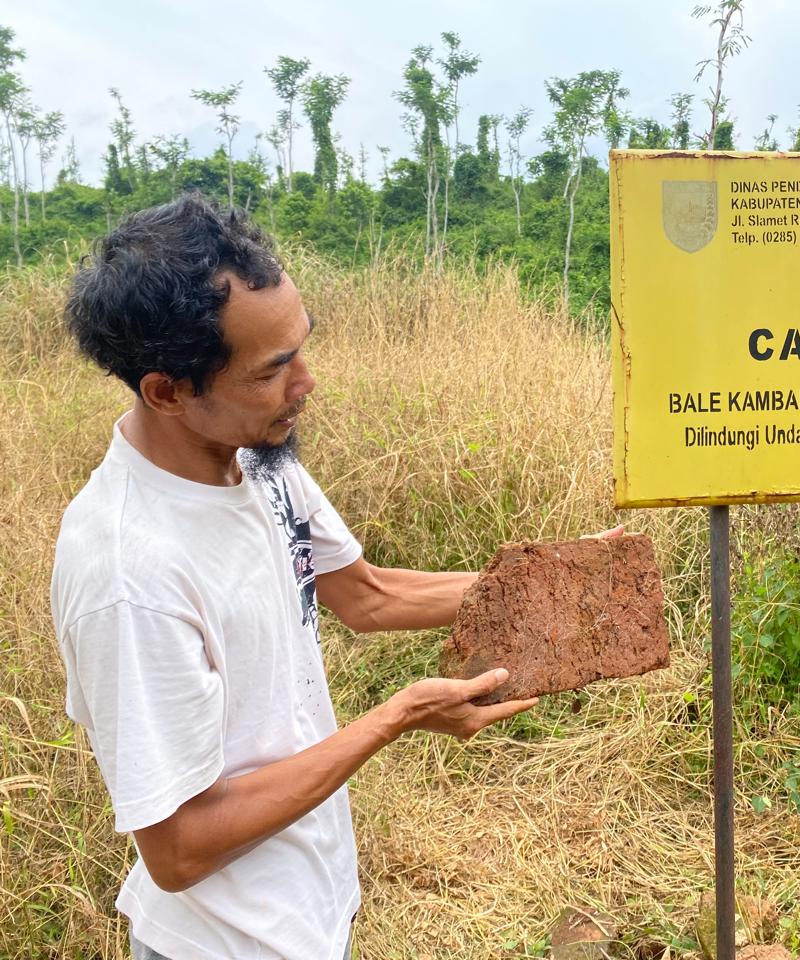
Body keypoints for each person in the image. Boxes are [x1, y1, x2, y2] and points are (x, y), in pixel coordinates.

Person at [51, 194, 586, 959]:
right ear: (167, 391)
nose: (307, 382)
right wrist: (392, 719)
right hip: (222, 945)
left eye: (302, 347)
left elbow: (364, 595)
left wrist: (556, 579)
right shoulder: (127, 572)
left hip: (306, 913)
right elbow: (178, 851)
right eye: (272, 370)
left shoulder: (255, 455)